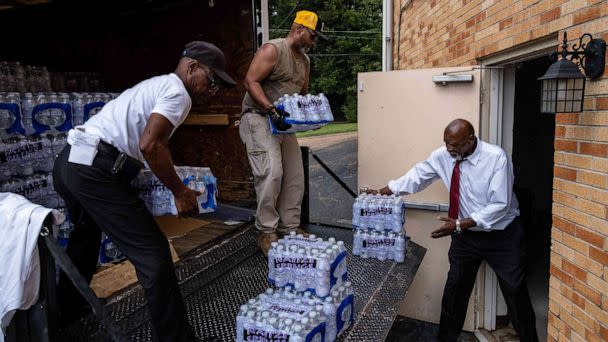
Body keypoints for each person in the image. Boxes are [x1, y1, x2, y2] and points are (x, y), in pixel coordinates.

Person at [52, 41, 235, 342]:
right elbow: (151, 145)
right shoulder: (178, 93)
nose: (211, 90)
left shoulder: (159, 85)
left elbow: (143, 144)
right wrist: (180, 191)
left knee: (85, 239)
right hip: (94, 170)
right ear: (191, 68)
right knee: (154, 255)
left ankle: (65, 316)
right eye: (211, 81)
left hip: (70, 163)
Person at [372, 119, 538, 342]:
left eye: (455, 144)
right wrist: (385, 191)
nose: (449, 148)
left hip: (503, 236)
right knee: (455, 292)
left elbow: (500, 205)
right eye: (446, 142)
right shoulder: (444, 155)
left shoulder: (496, 157)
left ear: (470, 140)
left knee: (515, 291)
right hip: (466, 237)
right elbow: (418, 175)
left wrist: (460, 224)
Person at [239, 10, 327, 254]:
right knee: (272, 171)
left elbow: (302, 96)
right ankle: (267, 231)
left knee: (295, 176)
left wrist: (311, 116)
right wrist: (270, 109)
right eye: (312, 36)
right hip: (258, 117)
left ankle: (290, 227)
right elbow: (251, 81)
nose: (313, 42)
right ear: (299, 29)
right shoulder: (273, 50)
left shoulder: (305, 62)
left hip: (283, 123)